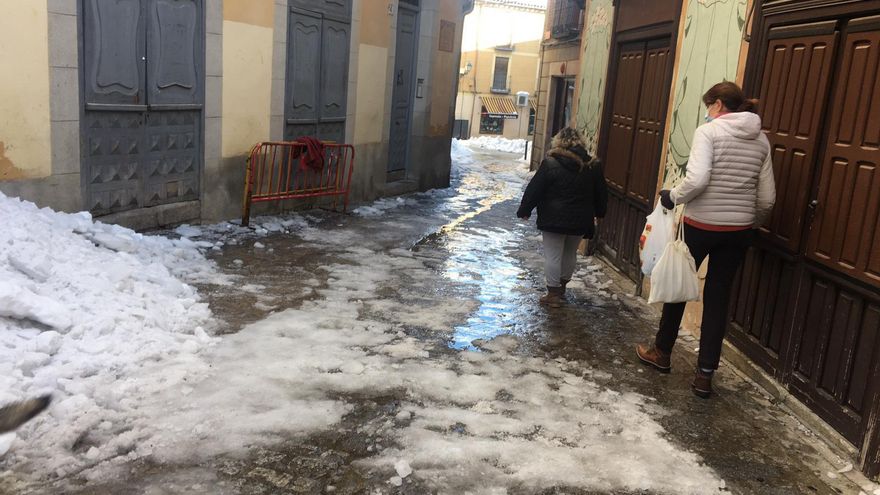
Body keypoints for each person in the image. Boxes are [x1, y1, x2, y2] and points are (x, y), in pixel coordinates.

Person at [637, 81, 776, 398]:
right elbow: (767, 198)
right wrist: (749, 222)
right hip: (738, 232)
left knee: (677, 285)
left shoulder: (708, 133)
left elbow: (697, 179)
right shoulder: (762, 141)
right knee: (718, 297)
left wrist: (672, 196)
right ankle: (704, 375)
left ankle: (662, 353)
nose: (707, 114)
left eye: (707, 107)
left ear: (716, 105)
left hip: (700, 225)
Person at [517, 127, 608, 308]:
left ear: (558, 142)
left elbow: (535, 188)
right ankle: (562, 288)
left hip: (553, 218)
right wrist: (599, 212)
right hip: (580, 219)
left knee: (553, 255)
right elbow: (601, 193)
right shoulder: (593, 166)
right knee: (569, 253)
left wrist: (525, 209)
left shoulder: (550, 163)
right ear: (581, 143)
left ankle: (552, 294)